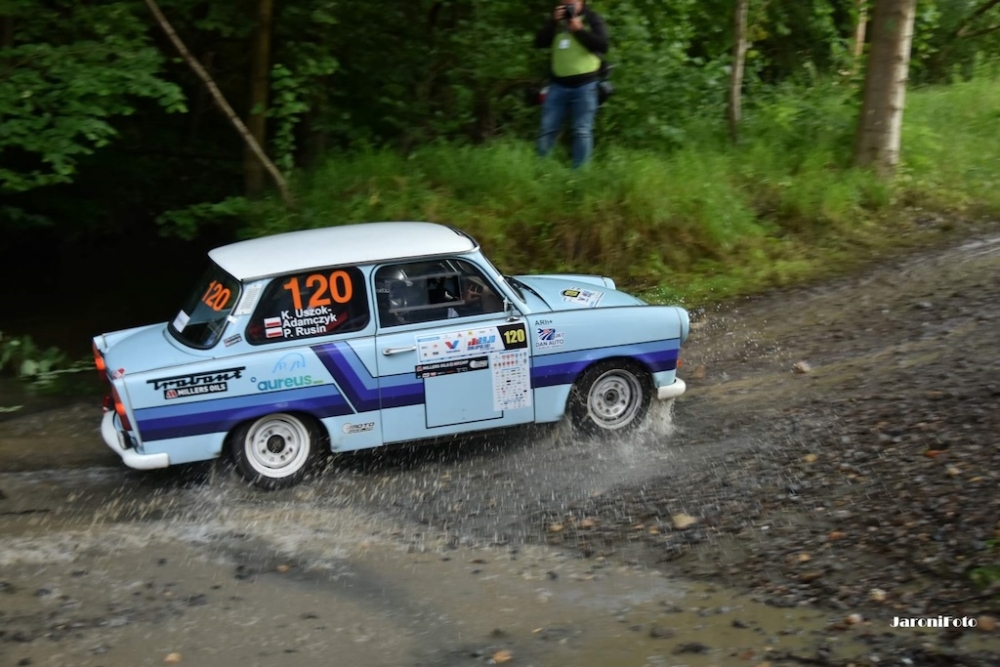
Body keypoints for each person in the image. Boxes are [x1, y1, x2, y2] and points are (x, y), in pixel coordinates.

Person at [534, 0, 609, 169]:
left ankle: (580, 174)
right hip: (557, 84)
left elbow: (603, 45)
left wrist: (579, 30)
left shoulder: (592, 18)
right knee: (547, 129)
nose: (568, 3)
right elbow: (539, 43)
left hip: (585, 84)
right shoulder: (557, 21)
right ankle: (541, 171)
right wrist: (552, 22)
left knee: (581, 131)